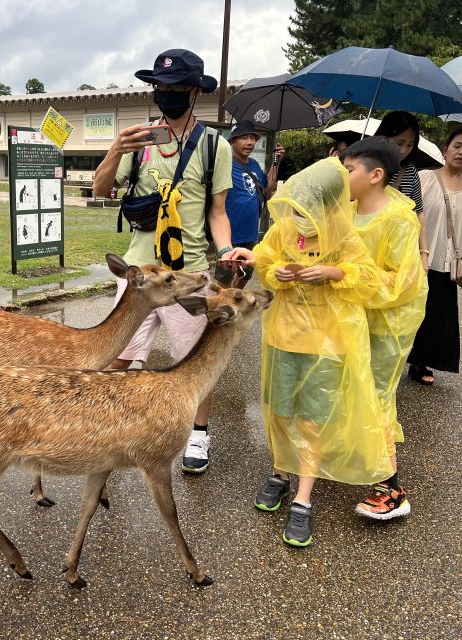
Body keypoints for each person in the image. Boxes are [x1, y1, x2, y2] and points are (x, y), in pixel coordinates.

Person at [92, 48, 252, 474]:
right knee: (118, 356)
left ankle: (198, 433)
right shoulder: (139, 141)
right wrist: (115, 149)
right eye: (161, 87)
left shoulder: (215, 146)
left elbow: (217, 212)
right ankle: (111, 427)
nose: (168, 94)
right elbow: (100, 190)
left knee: (194, 362)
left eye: (177, 87)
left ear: (195, 92)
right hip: (140, 274)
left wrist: (224, 251)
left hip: (188, 274)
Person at [251, 157, 389, 547]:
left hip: (325, 346)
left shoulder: (342, 234)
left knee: (312, 421)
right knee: (279, 412)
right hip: (283, 338)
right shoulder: (283, 228)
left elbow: (369, 278)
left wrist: (334, 272)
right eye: (295, 210)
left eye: (307, 210)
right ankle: (280, 474)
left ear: (328, 206)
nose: (300, 219)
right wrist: (276, 272)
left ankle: (303, 498)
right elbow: (264, 259)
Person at [340, 137, 428, 520]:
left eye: (349, 170)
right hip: (351, 316)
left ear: (376, 175)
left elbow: (400, 281)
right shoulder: (346, 210)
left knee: (377, 396)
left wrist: (343, 275)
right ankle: (359, 459)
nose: (343, 176)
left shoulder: (398, 218)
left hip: (388, 323)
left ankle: (392, 488)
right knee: (350, 389)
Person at [407, 126, 462, 385]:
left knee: (438, 316)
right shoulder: (424, 178)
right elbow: (406, 212)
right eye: (457, 146)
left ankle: (421, 362)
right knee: (412, 311)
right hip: (420, 258)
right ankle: (404, 357)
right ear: (445, 149)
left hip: (450, 262)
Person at [214, 120, 285, 288]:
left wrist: (277, 161)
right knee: (224, 278)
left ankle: (235, 298)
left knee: (246, 273)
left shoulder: (253, 164)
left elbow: (268, 187)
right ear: (232, 141)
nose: (250, 142)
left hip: (251, 231)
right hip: (230, 233)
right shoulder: (224, 163)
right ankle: (223, 302)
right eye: (244, 138)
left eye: (252, 138)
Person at [374, 111, 428, 270]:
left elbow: (419, 212)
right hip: (366, 247)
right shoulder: (364, 167)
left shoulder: (410, 172)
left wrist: (424, 253)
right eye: (399, 143)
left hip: (398, 251)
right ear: (384, 137)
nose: (404, 150)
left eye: (410, 145)